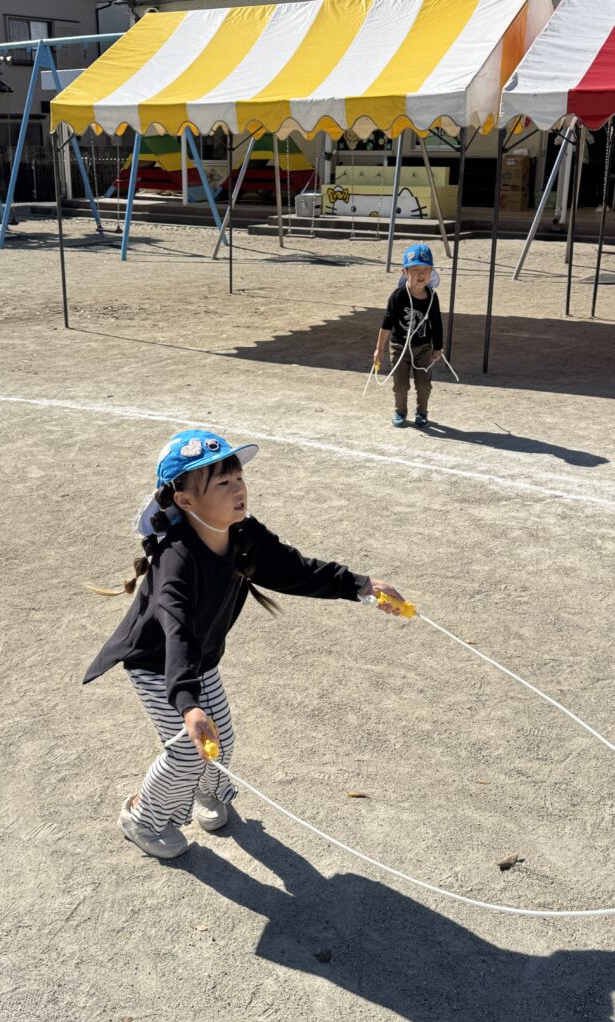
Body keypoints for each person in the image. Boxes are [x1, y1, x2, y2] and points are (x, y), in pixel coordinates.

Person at [83, 429, 404, 860]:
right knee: (188, 750)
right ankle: (142, 817)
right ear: (185, 501)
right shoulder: (177, 560)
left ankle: (208, 793)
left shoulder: (243, 534)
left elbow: (295, 569)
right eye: (222, 482)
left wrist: (361, 585)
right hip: (158, 665)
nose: (238, 489)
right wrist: (188, 704)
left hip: (201, 661)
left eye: (239, 478)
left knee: (221, 741)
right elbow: (177, 633)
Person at [373, 243, 443, 429]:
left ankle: (422, 412)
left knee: (424, 384)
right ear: (405, 272)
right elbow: (386, 324)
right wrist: (379, 349)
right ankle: (400, 411)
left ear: (431, 272)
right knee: (401, 385)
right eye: (415, 269)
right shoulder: (397, 296)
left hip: (424, 348)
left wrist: (437, 347)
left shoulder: (432, 297)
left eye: (426, 270)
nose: (421, 274)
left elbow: (437, 324)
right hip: (399, 348)